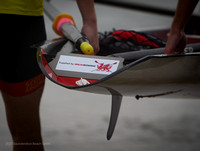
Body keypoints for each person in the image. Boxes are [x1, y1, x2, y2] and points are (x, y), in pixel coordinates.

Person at [0, 0, 98, 151]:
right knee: (25, 137)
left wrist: (90, 21)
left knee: (26, 138)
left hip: (22, 23)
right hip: (22, 24)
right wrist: (89, 20)